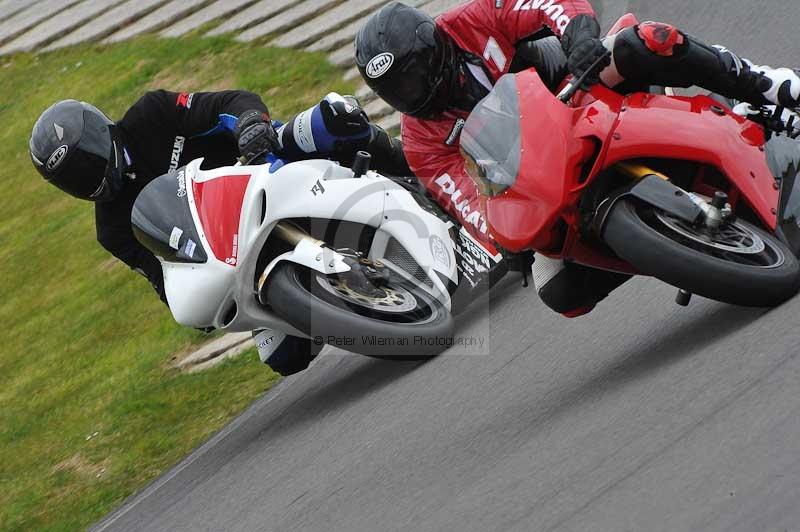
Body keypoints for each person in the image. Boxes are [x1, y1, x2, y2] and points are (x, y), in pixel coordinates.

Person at [355, 0, 800, 317]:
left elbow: (551, 3)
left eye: (413, 77)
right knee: (560, 291)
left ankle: (766, 86)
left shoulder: (472, 19)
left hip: (575, 89)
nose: (410, 94)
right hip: (538, 177)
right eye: (396, 90)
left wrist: (578, 36)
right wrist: (502, 238)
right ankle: (687, 249)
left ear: (434, 48)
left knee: (645, 40)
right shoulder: (419, 142)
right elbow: (468, 202)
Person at [29, 89, 406, 375]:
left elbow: (226, 103)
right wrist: (196, 303)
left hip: (263, 167)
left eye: (88, 161)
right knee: (285, 357)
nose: (89, 177)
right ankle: (359, 300)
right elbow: (162, 276)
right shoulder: (112, 230)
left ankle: (408, 162)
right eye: (74, 178)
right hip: (236, 247)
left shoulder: (152, 114)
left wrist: (249, 123)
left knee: (333, 118)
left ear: (101, 132)